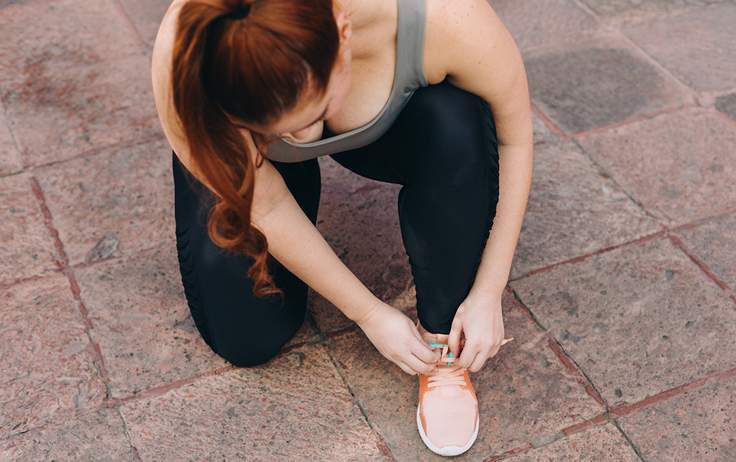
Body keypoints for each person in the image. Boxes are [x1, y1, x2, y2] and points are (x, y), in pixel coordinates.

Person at [150, 0, 533, 456]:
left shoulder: (447, 16)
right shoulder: (190, 54)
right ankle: (278, 160)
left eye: (314, 115)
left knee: (458, 125)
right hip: (255, 169)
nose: (303, 138)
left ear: (344, 33)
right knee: (249, 338)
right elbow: (267, 206)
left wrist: (489, 288)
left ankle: (443, 341)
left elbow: (515, 137)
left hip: (396, 119)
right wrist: (367, 313)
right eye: (277, 131)